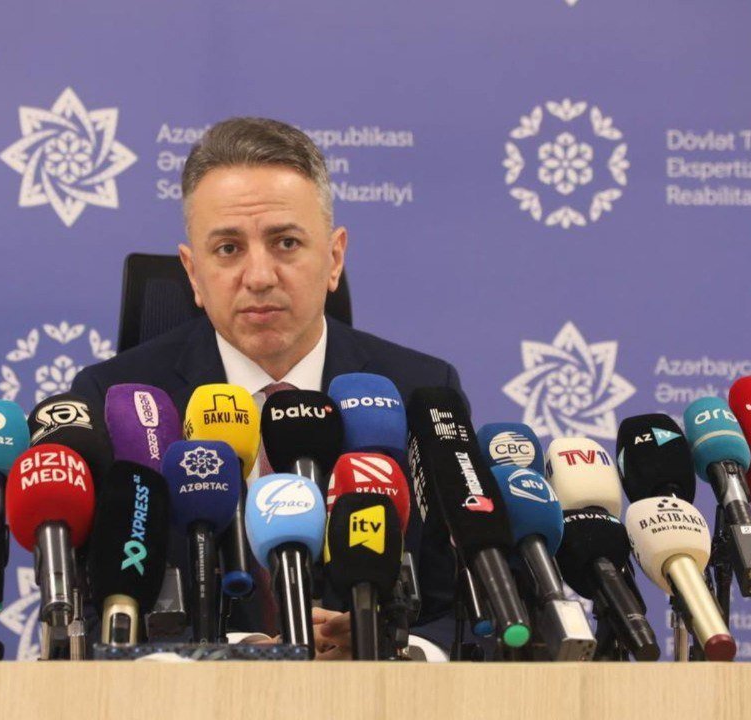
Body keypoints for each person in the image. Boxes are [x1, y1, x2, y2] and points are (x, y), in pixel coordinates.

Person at [71, 117, 466, 659]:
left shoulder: (420, 391)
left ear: (334, 257)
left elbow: (463, 607)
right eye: (228, 248)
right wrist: (244, 652)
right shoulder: (116, 399)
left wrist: (394, 649)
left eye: (285, 242)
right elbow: (95, 615)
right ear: (192, 273)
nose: (259, 276)